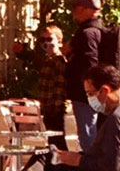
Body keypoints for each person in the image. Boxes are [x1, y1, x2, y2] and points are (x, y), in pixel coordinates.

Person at [52, 64, 120, 171]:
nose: (90, 99)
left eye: (90, 94)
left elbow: (111, 166)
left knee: (46, 160)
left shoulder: (117, 118)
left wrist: (78, 160)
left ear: (104, 90)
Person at [67, 0, 106, 152]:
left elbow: (90, 63)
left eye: (76, 7)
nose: (73, 11)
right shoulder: (98, 30)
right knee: (90, 133)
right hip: (93, 92)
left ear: (86, 9)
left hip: (85, 94)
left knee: (87, 135)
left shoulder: (87, 33)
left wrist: (89, 88)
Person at [34, 24, 69, 154]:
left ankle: (62, 166)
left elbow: (60, 87)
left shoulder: (59, 61)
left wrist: (55, 107)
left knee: (57, 141)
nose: (46, 44)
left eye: (50, 39)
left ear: (59, 41)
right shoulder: (47, 60)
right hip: (47, 107)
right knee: (52, 141)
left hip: (55, 108)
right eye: (43, 40)